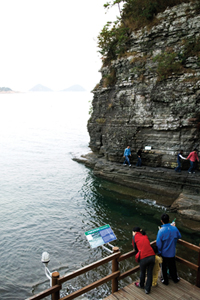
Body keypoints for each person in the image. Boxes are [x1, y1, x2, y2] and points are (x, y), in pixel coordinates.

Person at [156, 214, 181, 285]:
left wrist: (159, 252)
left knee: (163, 267)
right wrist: (174, 227)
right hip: (172, 252)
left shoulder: (161, 231)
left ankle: (165, 280)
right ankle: (175, 279)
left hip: (164, 253)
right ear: (169, 220)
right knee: (173, 266)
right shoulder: (174, 228)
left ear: (161, 221)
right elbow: (179, 236)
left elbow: (158, 243)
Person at [132, 227, 155, 294]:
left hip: (143, 257)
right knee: (150, 273)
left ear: (134, 232)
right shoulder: (145, 236)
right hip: (152, 256)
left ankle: (141, 285)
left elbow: (135, 248)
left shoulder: (134, 237)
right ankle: (147, 289)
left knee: (142, 272)